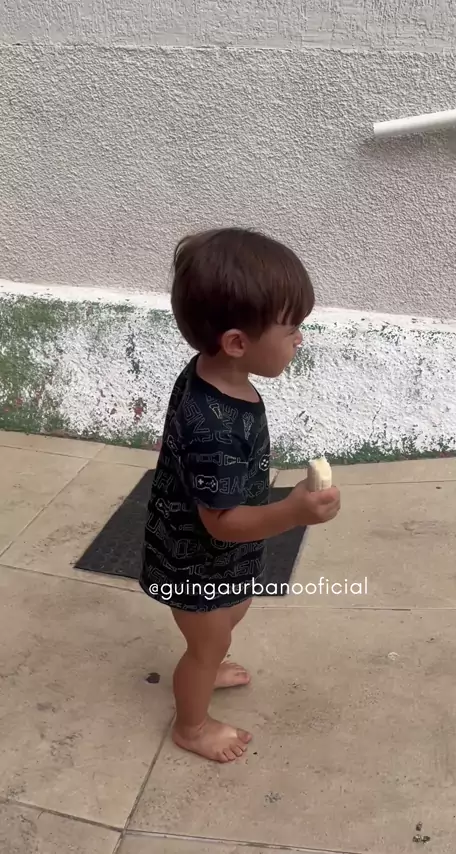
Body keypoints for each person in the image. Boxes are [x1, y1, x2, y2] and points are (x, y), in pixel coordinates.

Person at [139, 228, 341, 763]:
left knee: (228, 620)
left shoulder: (215, 374)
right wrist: (293, 511)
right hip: (194, 560)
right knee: (207, 645)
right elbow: (222, 522)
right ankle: (192, 725)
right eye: (291, 329)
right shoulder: (215, 426)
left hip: (214, 554)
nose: (299, 339)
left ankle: (208, 661)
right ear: (236, 343)